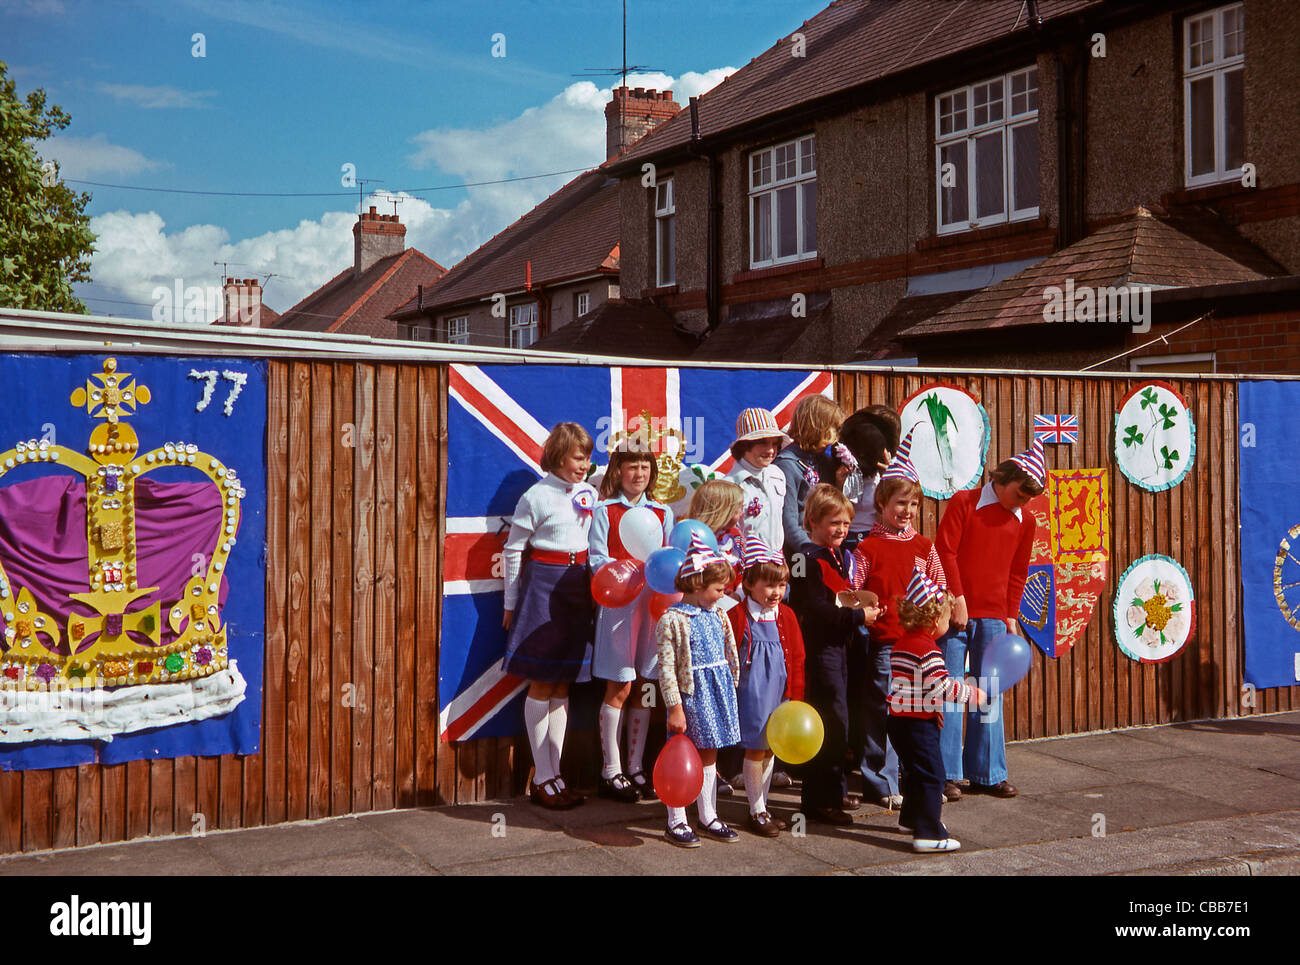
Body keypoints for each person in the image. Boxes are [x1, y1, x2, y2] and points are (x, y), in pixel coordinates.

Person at [935, 439, 1043, 801]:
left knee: (988, 693)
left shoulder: (1025, 520)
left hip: (996, 618)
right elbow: (945, 551)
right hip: (955, 613)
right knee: (949, 689)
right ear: (1004, 478)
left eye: (1029, 498)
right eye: (1020, 494)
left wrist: (1011, 615)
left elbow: (1018, 571)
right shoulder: (964, 503)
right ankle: (945, 773)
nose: (1023, 502)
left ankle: (987, 772)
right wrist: (958, 599)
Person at [501, 422, 598, 810]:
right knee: (541, 682)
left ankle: (555, 775)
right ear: (558, 456)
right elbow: (513, 551)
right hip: (544, 583)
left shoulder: (589, 492)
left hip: (578, 586)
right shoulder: (535, 496)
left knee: (563, 683)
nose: (585, 466)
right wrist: (511, 603)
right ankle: (542, 779)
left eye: (589, 458)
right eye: (578, 457)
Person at [851, 433, 946, 809]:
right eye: (899, 503)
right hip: (884, 643)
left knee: (917, 713)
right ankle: (880, 781)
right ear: (881, 503)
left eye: (911, 504)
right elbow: (853, 590)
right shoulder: (866, 548)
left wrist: (938, 615)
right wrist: (866, 613)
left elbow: (940, 588)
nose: (906, 511)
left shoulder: (924, 547)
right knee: (883, 711)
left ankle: (918, 775)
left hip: (921, 646)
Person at [789, 484, 880, 826]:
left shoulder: (840, 556)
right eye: (833, 523)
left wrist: (863, 606)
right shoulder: (803, 558)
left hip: (842, 649)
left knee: (842, 725)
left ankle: (835, 792)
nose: (841, 529)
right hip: (820, 651)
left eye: (845, 523)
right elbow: (810, 609)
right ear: (812, 520)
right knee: (828, 724)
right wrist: (857, 616)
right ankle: (818, 802)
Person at [589, 441, 674, 803]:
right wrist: (621, 577)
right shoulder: (604, 511)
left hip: (652, 606)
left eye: (644, 467)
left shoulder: (662, 512)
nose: (638, 474)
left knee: (645, 686)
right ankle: (612, 771)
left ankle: (637, 767)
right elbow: (596, 561)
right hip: (619, 608)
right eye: (631, 467)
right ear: (617, 472)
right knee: (620, 685)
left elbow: (669, 559)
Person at [888, 571, 985, 853]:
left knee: (915, 773)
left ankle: (910, 819)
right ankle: (929, 833)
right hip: (917, 726)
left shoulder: (902, 644)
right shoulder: (927, 650)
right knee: (933, 776)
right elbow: (941, 686)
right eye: (945, 618)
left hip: (899, 722)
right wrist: (971, 693)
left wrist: (931, 710)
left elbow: (912, 688)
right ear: (933, 621)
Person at [656, 534, 743, 848]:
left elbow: (729, 653)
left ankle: (708, 814)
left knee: (710, 751)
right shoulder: (672, 620)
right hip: (691, 695)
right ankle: (676, 819)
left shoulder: (717, 615)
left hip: (716, 690)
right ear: (696, 584)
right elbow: (666, 669)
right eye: (718, 589)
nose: (723, 595)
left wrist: (732, 686)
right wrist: (675, 706)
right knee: (681, 751)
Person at [726, 535, 805, 837]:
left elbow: (797, 657)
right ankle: (755, 810)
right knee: (756, 750)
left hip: (780, 691)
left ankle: (762, 805)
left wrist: (796, 695)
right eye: (770, 586)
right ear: (749, 584)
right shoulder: (737, 615)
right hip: (753, 692)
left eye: (782, 586)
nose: (777, 593)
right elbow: (728, 653)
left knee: (772, 748)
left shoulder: (786, 615)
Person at [774, 395, 844, 559]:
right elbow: (788, 520)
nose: (837, 435)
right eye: (833, 428)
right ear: (817, 427)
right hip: (799, 553)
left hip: (825, 549)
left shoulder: (825, 461)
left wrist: (840, 485)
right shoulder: (786, 465)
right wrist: (809, 549)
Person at [727, 407, 787, 555]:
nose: (771, 450)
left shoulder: (777, 475)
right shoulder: (730, 485)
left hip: (776, 563)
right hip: (747, 566)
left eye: (774, 444)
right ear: (745, 445)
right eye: (763, 443)